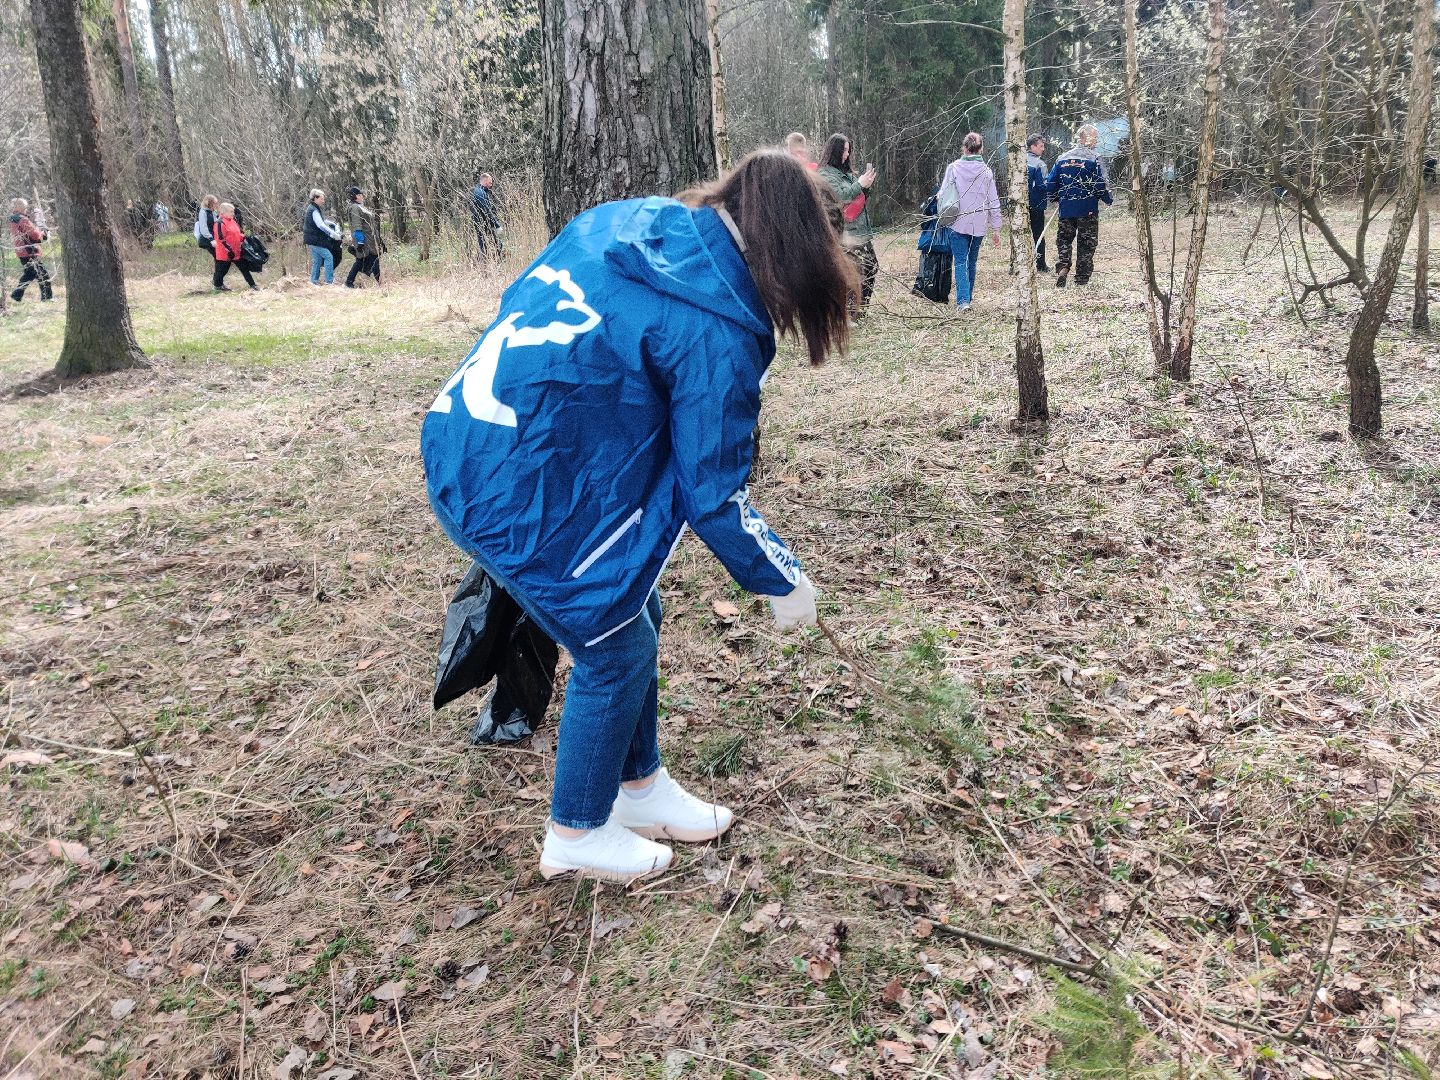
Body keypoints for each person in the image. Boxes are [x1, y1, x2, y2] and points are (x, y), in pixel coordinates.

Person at [421, 149, 856, 883]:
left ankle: (641, 788)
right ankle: (577, 833)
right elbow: (711, 493)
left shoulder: (631, 222)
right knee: (613, 647)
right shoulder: (717, 324)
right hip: (514, 481)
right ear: (795, 253)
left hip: (471, 439)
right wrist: (782, 579)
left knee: (633, 604)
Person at [939, 132, 1001, 311]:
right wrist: (996, 228)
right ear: (981, 149)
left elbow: (943, 194)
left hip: (957, 222)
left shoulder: (953, 168)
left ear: (964, 148)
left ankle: (963, 301)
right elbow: (993, 201)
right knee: (971, 261)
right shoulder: (986, 171)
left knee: (960, 261)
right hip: (979, 224)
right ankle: (968, 297)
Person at [817, 134, 878, 315]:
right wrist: (859, 184)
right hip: (844, 232)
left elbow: (857, 198)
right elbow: (841, 196)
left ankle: (860, 309)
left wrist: (865, 186)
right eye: (844, 150)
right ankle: (850, 311)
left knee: (870, 267)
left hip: (860, 229)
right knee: (852, 273)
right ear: (834, 150)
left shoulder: (847, 173)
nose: (847, 153)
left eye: (848, 149)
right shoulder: (825, 174)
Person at [1047, 123, 1113, 288]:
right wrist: (1108, 199)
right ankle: (1081, 278)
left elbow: (1051, 183)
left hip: (1066, 208)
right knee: (1086, 242)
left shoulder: (1061, 158)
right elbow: (1101, 183)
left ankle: (1063, 265)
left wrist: (1056, 197)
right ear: (1085, 138)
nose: (1096, 142)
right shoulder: (1094, 158)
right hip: (1087, 209)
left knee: (1064, 239)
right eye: (1094, 138)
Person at [911, 185, 952, 303]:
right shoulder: (931, 202)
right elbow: (923, 220)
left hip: (937, 242)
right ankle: (930, 293)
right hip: (934, 242)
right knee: (931, 268)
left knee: (942, 270)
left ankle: (939, 295)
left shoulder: (950, 204)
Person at [8, 198, 52, 303]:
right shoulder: (21, 219)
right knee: (42, 274)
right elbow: (35, 235)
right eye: (24, 205)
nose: (26, 208)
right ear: (17, 206)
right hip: (29, 251)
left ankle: (16, 296)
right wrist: (44, 234)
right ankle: (47, 298)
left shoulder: (13, 219)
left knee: (29, 274)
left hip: (21, 251)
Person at [211, 202, 257, 291]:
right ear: (223, 212)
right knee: (222, 271)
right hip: (225, 253)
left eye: (233, 211)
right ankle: (217, 286)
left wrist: (245, 239)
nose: (233, 213)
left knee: (244, 268)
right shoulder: (219, 223)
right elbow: (220, 239)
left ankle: (253, 285)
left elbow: (238, 234)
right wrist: (229, 250)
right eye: (231, 212)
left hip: (236, 251)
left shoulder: (232, 221)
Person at [303, 189, 343, 285]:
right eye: (321, 198)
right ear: (315, 198)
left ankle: (313, 281)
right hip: (314, 240)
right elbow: (320, 225)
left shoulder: (314, 208)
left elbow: (323, 221)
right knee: (329, 257)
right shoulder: (313, 210)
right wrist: (333, 234)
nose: (323, 201)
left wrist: (332, 223)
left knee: (317, 260)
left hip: (312, 240)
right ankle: (329, 281)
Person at [344, 186, 382, 288]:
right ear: (355, 196)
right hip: (364, 240)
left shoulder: (360, 206)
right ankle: (350, 282)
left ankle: (379, 282)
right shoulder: (355, 208)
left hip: (370, 239)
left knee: (372, 259)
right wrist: (360, 241)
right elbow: (357, 225)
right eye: (360, 195)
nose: (362, 196)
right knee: (365, 260)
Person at [1026, 133, 1050, 272]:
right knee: (1038, 234)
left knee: (1018, 234)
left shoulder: (1018, 161)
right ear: (1032, 146)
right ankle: (1040, 265)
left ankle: (1016, 264)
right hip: (1036, 205)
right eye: (1041, 146)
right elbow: (1043, 186)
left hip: (1020, 205)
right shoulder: (1040, 164)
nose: (1043, 149)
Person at [469, 173, 502, 258]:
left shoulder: (481, 191)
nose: (491, 185)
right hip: (483, 224)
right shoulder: (479, 193)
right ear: (485, 181)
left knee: (494, 245)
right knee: (487, 246)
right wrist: (497, 225)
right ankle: (487, 265)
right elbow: (487, 211)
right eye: (490, 183)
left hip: (484, 223)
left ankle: (491, 263)